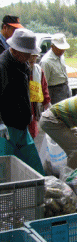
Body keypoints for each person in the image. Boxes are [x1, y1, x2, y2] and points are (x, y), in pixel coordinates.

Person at [0, 28, 45, 175]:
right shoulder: (2, 66)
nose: (29, 57)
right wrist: (1, 124)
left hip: (22, 124)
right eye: (27, 54)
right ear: (15, 50)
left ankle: (40, 191)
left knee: (33, 166)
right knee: (8, 169)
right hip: (7, 126)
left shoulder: (23, 64)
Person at [40, 33, 71, 105]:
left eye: (63, 49)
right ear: (52, 47)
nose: (62, 50)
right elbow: (44, 84)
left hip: (65, 89)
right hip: (54, 92)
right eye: (59, 48)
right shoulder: (46, 62)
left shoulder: (61, 56)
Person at [28, 53, 51, 138]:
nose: (32, 59)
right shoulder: (18, 69)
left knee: (31, 136)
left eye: (34, 56)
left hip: (33, 111)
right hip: (20, 111)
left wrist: (48, 109)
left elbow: (44, 91)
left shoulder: (38, 71)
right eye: (30, 55)